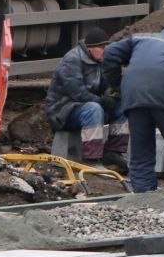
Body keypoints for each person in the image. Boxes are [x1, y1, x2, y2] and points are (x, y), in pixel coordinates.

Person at [102, 21, 164, 193]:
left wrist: (116, 85)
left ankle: (144, 197)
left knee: (141, 150)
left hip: (134, 95)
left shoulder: (142, 38)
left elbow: (109, 52)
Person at [44, 26, 129, 172]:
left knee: (121, 106)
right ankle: (91, 159)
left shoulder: (100, 60)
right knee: (94, 109)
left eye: (106, 46)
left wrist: (111, 95)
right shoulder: (71, 60)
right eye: (101, 47)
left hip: (86, 106)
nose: (105, 50)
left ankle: (113, 152)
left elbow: (108, 84)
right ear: (90, 48)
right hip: (63, 111)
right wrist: (101, 101)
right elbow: (77, 93)